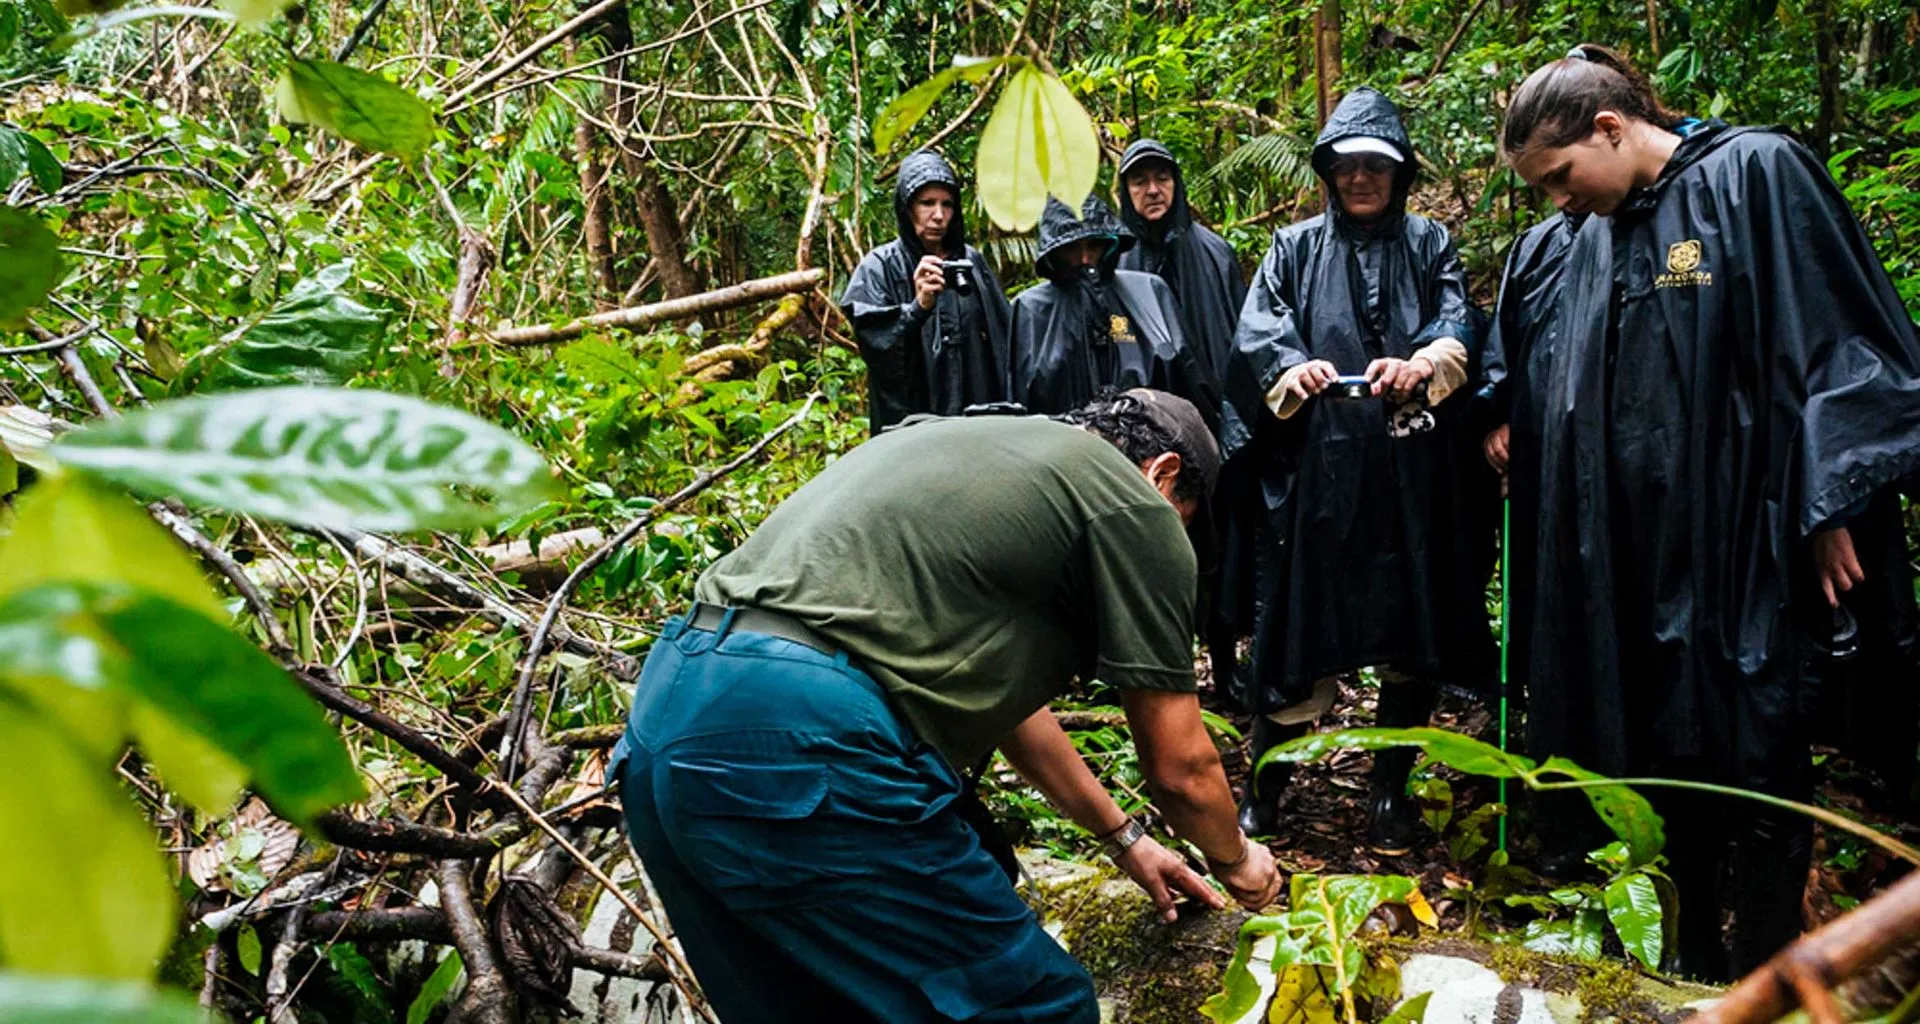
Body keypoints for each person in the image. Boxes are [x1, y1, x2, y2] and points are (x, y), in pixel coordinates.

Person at [610, 390, 1282, 1024]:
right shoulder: (1131, 501)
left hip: (666, 710)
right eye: (1186, 524)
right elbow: (1181, 771)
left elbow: (1016, 716)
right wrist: (1239, 864)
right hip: (801, 737)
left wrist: (1125, 841)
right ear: (1163, 474)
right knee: (1036, 1008)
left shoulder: (961, 445)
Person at [1501, 44, 1920, 978]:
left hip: (1745, 536)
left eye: (1563, 176)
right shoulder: (1598, 232)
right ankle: (1687, 964)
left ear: (1611, 128)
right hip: (1634, 551)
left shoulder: (1757, 172)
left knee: (1757, 740)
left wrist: (1830, 503)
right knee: (1658, 746)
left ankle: (1768, 966)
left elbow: (1842, 345)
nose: (1559, 202)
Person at [1219, 86, 1494, 852]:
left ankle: (1388, 795)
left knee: (1412, 634)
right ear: (1328, 173)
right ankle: (1265, 789)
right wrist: (1294, 369)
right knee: (1300, 628)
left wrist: (1427, 361)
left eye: (1377, 165)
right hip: (1322, 476)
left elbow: (1454, 318)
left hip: (1412, 476)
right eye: (1348, 166)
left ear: (1399, 172)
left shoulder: (1429, 242)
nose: (1362, 179)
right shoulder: (1293, 247)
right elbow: (1261, 328)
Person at [1474, 210, 1595, 869]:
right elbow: (1504, 350)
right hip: (1544, 480)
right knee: (1553, 638)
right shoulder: (1539, 246)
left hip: (1631, 489)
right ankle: (1560, 820)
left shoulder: (1661, 229)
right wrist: (1497, 419)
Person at [1011, 194, 1220, 427]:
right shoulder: (1031, 311)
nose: (1085, 258)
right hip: (1065, 454)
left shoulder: (1149, 293)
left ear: (1109, 243)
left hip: (1150, 451)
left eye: (1094, 245)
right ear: (1055, 250)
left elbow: (1190, 381)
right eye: (1071, 248)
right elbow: (1019, 403)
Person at [843, 149, 1015, 431]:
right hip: (911, 427)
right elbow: (877, 348)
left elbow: (1005, 341)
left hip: (976, 424)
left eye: (947, 205)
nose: (939, 216)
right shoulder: (880, 266)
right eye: (927, 203)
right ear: (907, 207)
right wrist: (917, 309)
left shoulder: (970, 263)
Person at [1117, 138, 1248, 390]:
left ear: (1176, 183)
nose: (1153, 190)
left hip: (1213, 407)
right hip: (1142, 410)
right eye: (1140, 182)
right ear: (1126, 191)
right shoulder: (1114, 262)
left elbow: (1243, 337)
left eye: (1162, 178)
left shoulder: (1216, 253)